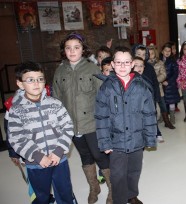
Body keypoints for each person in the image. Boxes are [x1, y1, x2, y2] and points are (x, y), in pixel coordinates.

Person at [52, 33, 111, 204]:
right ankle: (94, 187)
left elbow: (102, 96)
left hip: (92, 123)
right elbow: (56, 98)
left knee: (99, 156)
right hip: (71, 124)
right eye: (68, 48)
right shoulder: (60, 70)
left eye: (76, 47)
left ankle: (113, 189)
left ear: (83, 49)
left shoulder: (92, 68)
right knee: (85, 157)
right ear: (64, 50)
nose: (72, 51)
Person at [95, 46, 157, 204]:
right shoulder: (106, 88)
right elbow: (101, 117)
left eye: (126, 62)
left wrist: (150, 138)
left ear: (132, 65)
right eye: (119, 62)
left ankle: (132, 195)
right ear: (113, 65)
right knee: (117, 175)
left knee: (134, 172)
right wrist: (104, 142)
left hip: (137, 140)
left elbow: (149, 114)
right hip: (116, 143)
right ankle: (120, 200)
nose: (122, 66)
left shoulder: (142, 87)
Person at [8, 61, 76, 204]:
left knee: (65, 192)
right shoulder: (16, 110)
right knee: (41, 196)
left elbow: (68, 127)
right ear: (20, 84)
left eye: (40, 79)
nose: (36, 83)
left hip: (59, 160)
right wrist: (37, 155)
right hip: (36, 163)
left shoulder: (55, 104)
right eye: (30, 80)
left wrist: (58, 151)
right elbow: (16, 137)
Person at [148, 44, 175, 131]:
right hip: (148, 88)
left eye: (152, 53)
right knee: (152, 106)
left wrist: (155, 80)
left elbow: (163, 74)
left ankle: (167, 121)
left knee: (162, 104)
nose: (150, 55)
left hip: (158, 87)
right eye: (148, 54)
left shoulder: (160, 63)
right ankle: (153, 124)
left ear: (155, 53)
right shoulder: (145, 64)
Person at [160, 42, 181, 124]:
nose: (167, 52)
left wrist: (168, 81)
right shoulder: (159, 61)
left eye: (169, 51)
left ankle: (172, 116)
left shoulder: (173, 61)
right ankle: (163, 116)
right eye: (165, 50)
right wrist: (161, 81)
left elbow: (175, 73)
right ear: (162, 51)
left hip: (171, 85)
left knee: (171, 101)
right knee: (163, 101)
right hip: (161, 85)